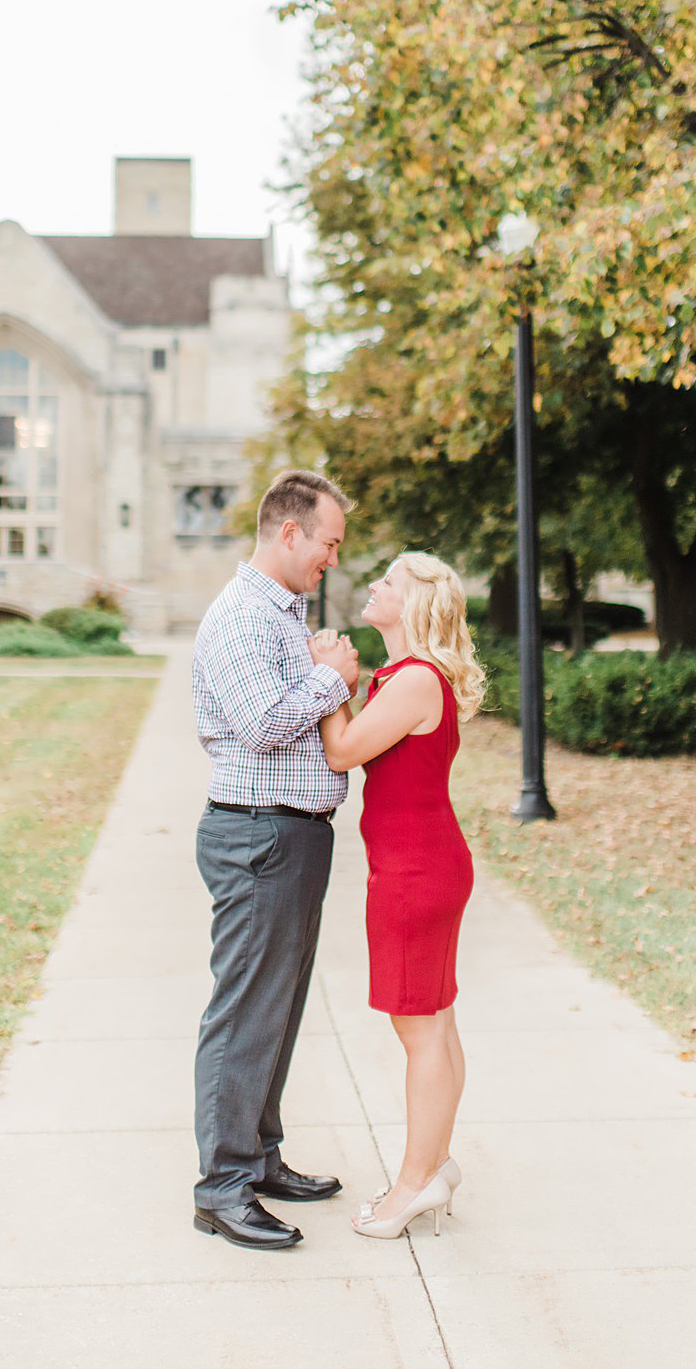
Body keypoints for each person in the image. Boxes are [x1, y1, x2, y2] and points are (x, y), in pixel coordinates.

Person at [191, 468, 360, 1251]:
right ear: (289, 532)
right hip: (258, 835)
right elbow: (263, 725)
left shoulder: (285, 615)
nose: (332, 557)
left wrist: (322, 667)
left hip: (292, 836)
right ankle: (222, 1189)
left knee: (279, 1011)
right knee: (245, 1013)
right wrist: (334, 676)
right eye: (328, 542)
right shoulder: (242, 618)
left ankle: (259, 1157)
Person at [311, 551, 485, 1241]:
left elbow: (343, 751)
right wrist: (347, 687)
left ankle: (413, 1183)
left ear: (411, 606)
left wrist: (329, 683)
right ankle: (434, 1166)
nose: (373, 585)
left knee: (420, 1029)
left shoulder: (414, 680)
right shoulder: (409, 678)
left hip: (416, 874)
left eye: (387, 581)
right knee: (434, 1022)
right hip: (422, 865)